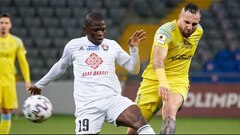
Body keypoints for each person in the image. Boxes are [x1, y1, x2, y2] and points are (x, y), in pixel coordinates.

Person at [27, 12, 155, 134]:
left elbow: (134, 69)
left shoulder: (112, 45)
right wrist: (40, 85)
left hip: (112, 100)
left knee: (139, 119)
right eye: (96, 30)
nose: (100, 33)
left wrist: (134, 49)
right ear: (85, 29)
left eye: (103, 29)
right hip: (87, 105)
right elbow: (60, 67)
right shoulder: (74, 46)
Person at [127, 3, 203, 134]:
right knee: (134, 129)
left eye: (194, 24)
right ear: (179, 17)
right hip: (153, 80)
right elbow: (158, 60)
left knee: (169, 110)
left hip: (178, 79)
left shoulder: (199, 32)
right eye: (186, 22)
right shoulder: (166, 32)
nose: (190, 27)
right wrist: (163, 82)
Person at [0, 13, 31, 134]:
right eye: (1, 23)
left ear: (10, 25)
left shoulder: (16, 41)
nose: (3, 25)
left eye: (6, 23)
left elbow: (23, 62)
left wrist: (27, 81)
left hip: (8, 81)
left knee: (7, 111)